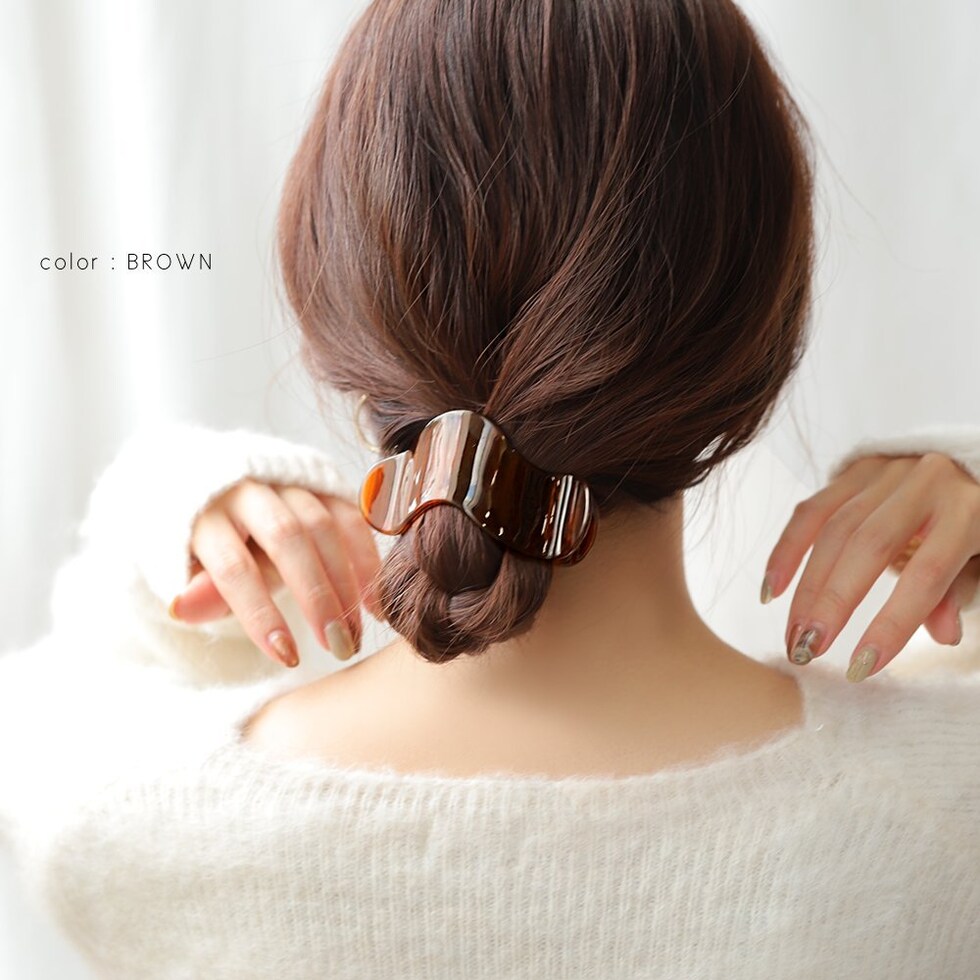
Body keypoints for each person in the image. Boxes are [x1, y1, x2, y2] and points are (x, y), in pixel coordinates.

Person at [2, 0, 979, 977]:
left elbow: (61, 683)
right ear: (757, 327)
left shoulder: (124, 811)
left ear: (333, 291)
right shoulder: (938, 827)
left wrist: (166, 509)